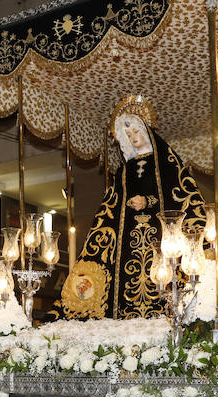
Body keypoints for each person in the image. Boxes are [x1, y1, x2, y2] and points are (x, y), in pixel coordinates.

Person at [48, 95, 206, 320]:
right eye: (128, 135)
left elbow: (179, 199)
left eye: (136, 132)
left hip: (160, 238)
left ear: (147, 132)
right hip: (128, 239)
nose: (133, 138)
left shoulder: (167, 164)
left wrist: (148, 202)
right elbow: (112, 205)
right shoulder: (123, 171)